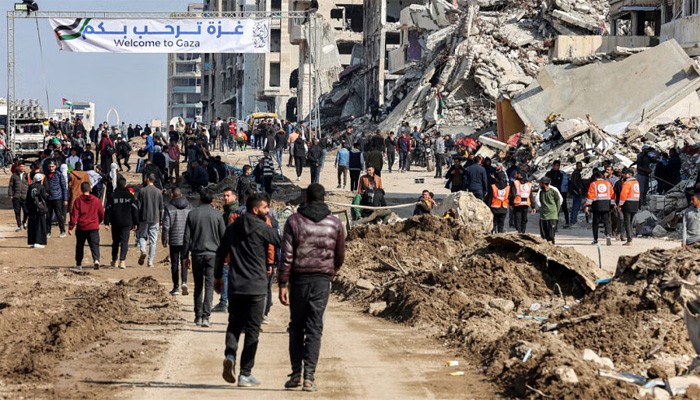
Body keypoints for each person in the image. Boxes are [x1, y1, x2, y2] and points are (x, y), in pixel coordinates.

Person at [278, 184, 345, 392]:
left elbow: (286, 256)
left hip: (299, 280)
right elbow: (340, 255)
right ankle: (309, 377)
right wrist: (330, 271)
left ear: (305, 198)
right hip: (322, 280)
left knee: (296, 326)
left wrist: (282, 283)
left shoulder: (294, 221)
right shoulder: (335, 223)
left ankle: (296, 374)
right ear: (324, 199)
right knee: (315, 327)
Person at [216, 193, 281, 387]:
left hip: (236, 285)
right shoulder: (263, 228)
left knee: (234, 324)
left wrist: (218, 277)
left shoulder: (232, 228)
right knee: (253, 329)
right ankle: (245, 374)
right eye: (265, 208)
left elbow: (221, 253)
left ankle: (230, 355)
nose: (267, 211)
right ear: (255, 209)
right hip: (257, 287)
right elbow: (280, 242)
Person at [184, 190, 225, 328]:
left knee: (198, 285)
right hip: (212, 254)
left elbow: (186, 238)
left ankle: (198, 316)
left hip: (197, 254)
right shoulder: (217, 215)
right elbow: (223, 237)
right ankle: (206, 316)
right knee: (209, 285)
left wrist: (185, 256)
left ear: (200, 199)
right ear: (212, 200)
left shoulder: (192, 214)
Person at [162, 188, 193, 295]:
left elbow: (166, 225)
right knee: (184, 260)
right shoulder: (189, 206)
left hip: (174, 238)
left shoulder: (169, 207)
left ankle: (176, 287)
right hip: (186, 239)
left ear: (172, 195)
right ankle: (184, 282)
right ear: (181, 194)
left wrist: (164, 238)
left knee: (174, 263)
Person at [68, 182, 105, 270]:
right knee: (94, 244)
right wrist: (98, 221)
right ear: (90, 189)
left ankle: (79, 264)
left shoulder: (78, 200)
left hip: (82, 227)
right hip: (93, 227)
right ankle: (96, 260)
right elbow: (101, 213)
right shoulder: (96, 200)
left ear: (81, 189)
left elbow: (74, 215)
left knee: (80, 246)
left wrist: (71, 227)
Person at [104, 177, 138, 269]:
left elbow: (108, 209)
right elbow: (135, 210)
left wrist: (106, 222)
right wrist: (136, 222)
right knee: (124, 242)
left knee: (115, 242)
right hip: (127, 222)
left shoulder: (112, 195)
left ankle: (114, 260)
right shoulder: (130, 196)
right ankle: (122, 261)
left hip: (115, 221)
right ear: (125, 184)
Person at [136, 174, 164, 267]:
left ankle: (143, 250)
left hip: (143, 217)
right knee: (153, 240)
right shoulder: (159, 192)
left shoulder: (142, 191)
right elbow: (161, 208)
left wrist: (136, 219)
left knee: (142, 236)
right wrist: (161, 220)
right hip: (155, 218)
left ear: (148, 179)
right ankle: (150, 261)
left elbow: (138, 206)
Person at [585, 170, 614, 246]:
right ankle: (608, 235)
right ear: (603, 176)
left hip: (597, 205)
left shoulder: (593, 184)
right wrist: (612, 205)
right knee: (606, 221)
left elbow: (590, 195)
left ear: (595, 177)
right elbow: (612, 195)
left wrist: (587, 206)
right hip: (606, 204)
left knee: (595, 223)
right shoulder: (608, 184)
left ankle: (595, 240)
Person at [534, 177, 563, 244]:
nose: (539, 185)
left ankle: (552, 247)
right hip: (543, 216)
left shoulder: (554, 192)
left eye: (540, 183)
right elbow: (539, 201)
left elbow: (558, 201)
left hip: (552, 216)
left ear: (544, 184)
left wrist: (556, 212)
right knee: (543, 236)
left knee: (551, 235)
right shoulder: (541, 192)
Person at [44, 161, 68, 238]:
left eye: (52, 166)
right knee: (48, 216)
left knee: (59, 215)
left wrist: (65, 199)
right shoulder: (45, 175)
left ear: (55, 166)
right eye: (50, 166)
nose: (51, 168)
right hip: (48, 198)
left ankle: (62, 231)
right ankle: (48, 232)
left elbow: (64, 187)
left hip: (57, 198)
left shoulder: (59, 175)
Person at [618, 168, 640, 246]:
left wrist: (620, 205)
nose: (624, 175)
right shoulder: (636, 182)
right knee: (630, 222)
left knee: (627, 222)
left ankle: (629, 240)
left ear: (630, 175)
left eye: (625, 174)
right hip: (635, 203)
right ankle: (630, 237)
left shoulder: (627, 183)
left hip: (628, 203)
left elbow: (623, 195)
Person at [26, 174, 48, 248]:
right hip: (39, 209)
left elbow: (28, 198)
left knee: (32, 225)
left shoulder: (30, 186)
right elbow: (44, 197)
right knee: (40, 225)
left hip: (31, 208)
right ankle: (38, 242)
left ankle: (32, 242)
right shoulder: (41, 187)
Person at [545, 160, 569, 227]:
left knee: (561, 208)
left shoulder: (561, 174)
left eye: (558, 166)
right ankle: (551, 223)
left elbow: (563, 184)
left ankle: (563, 223)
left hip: (560, 193)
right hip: (550, 193)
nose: (557, 167)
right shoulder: (549, 174)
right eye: (556, 165)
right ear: (553, 166)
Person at [8, 161, 30, 232]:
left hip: (25, 197)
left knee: (26, 211)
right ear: (18, 167)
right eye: (20, 166)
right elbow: (11, 186)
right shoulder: (14, 176)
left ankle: (24, 221)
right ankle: (19, 226)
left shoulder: (27, 175)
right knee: (17, 212)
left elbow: (30, 185)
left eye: (23, 166)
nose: (22, 168)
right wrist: (10, 194)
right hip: (16, 197)